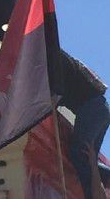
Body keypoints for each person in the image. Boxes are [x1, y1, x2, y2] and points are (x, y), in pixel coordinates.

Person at [58, 51, 110, 199]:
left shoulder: (54, 60)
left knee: (82, 154)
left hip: (94, 108)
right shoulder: (58, 60)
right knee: (85, 155)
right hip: (97, 108)